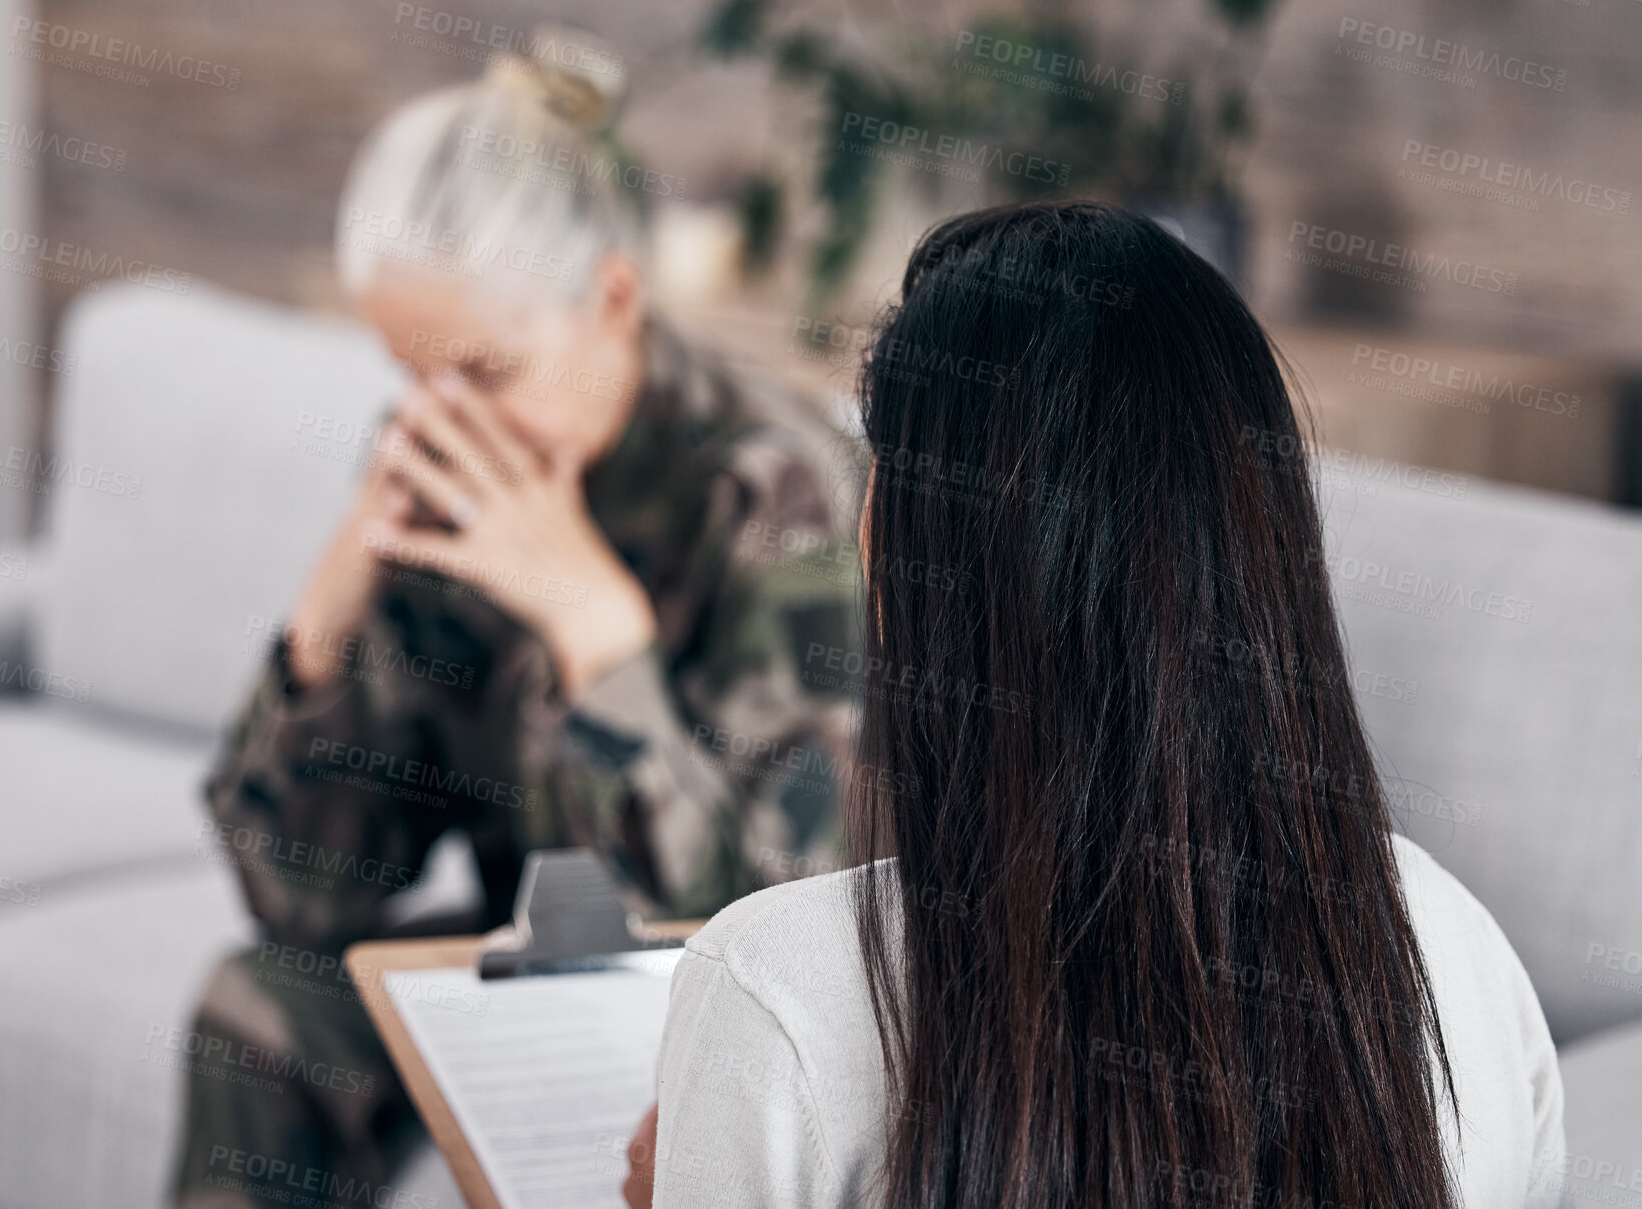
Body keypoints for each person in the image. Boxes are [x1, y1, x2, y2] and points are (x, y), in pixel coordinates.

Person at [631, 202, 1568, 1209]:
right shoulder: (1450, 948)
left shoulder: (772, 995)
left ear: (907, 551)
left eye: (880, 470)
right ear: (1259, 543)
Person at [173, 26, 860, 1209]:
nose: (445, 422)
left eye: (486, 373)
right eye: (410, 374)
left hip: (720, 993)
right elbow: (308, 897)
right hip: (525, 964)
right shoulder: (447, 478)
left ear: (612, 296)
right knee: (258, 1008)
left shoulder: (777, 497)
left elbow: (783, 916)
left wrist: (593, 631)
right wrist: (326, 619)